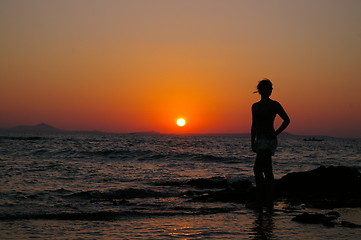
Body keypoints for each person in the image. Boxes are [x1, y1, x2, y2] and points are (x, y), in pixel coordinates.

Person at [250, 79, 290, 209]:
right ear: (260, 90)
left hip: (269, 140)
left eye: (271, 88)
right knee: (267, 169)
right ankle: (268, 200)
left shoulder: (274, 105)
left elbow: (286, 120)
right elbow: (254, 125)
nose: (269, 90)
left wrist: (276, 133)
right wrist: (252, 141)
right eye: (267, 88)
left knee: (257, 168)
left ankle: (261, 198)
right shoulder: (255, 106)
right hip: (259, 139)